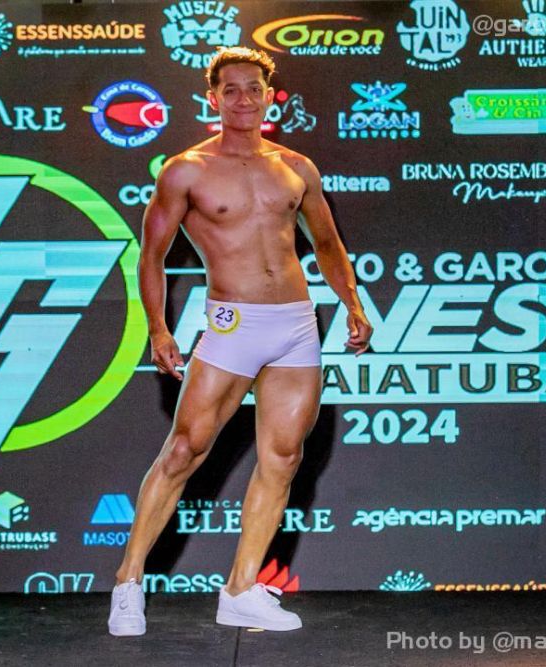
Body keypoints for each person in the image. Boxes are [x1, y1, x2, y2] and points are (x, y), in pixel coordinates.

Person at [108, 46, 373, 636]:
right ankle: (128, 583)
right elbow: (151, 255)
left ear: (270, 96)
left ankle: (241, 590)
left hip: (296, 326)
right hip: (233, 325)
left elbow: (327, 245)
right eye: (231, 89)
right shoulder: (186, 170)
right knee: (185, 450)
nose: (244, 98)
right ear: (213, 98)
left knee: (283, 457)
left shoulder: (296, 168)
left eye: (254, 88)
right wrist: (158, 327)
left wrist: (353, 303)